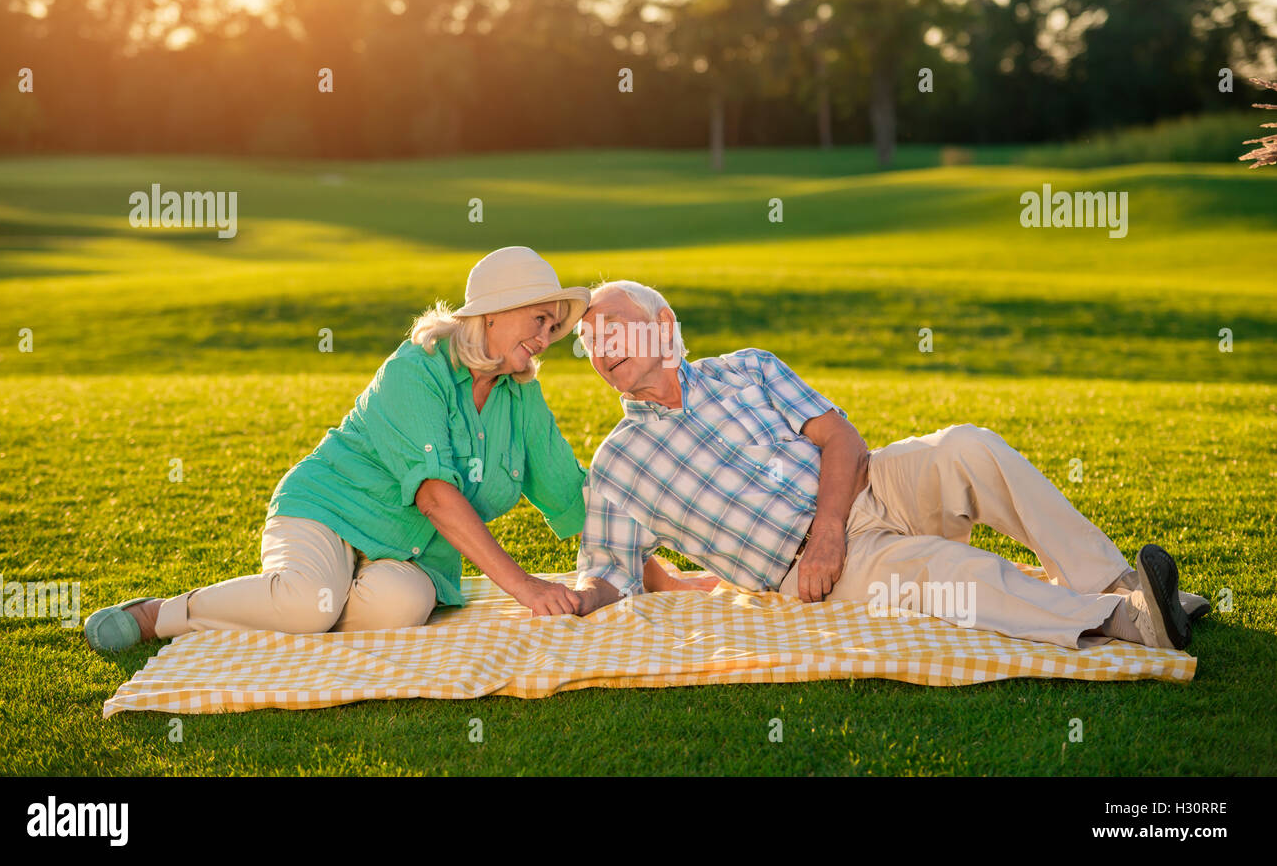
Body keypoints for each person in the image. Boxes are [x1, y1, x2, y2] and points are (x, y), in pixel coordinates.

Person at [84, 248, 702, 654]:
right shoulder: (418, 367)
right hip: (328, 511)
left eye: (552, 327)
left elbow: (577, 500)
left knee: (402, 606)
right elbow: (434, 495)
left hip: (411, 555)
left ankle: (304, 608)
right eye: (539, 320)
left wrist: (659, 578)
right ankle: (161, 615)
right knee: (308, 603)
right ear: (493, 314)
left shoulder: (521, 398)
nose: (546, 339)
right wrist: (524, 587)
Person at [569, 279, 1208, 651]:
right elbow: (609, 573)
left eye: (614, 328)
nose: (602, 348)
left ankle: (1117, 582)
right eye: (590, 341)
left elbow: (842, 440)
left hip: (870, 485)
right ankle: (1127, 622)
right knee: (947, 572)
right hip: (812, 569)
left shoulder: (747, 368)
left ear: (663, 324)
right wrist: (559, 597)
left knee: (968, 445)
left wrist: (830, 527)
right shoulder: (619, 464)